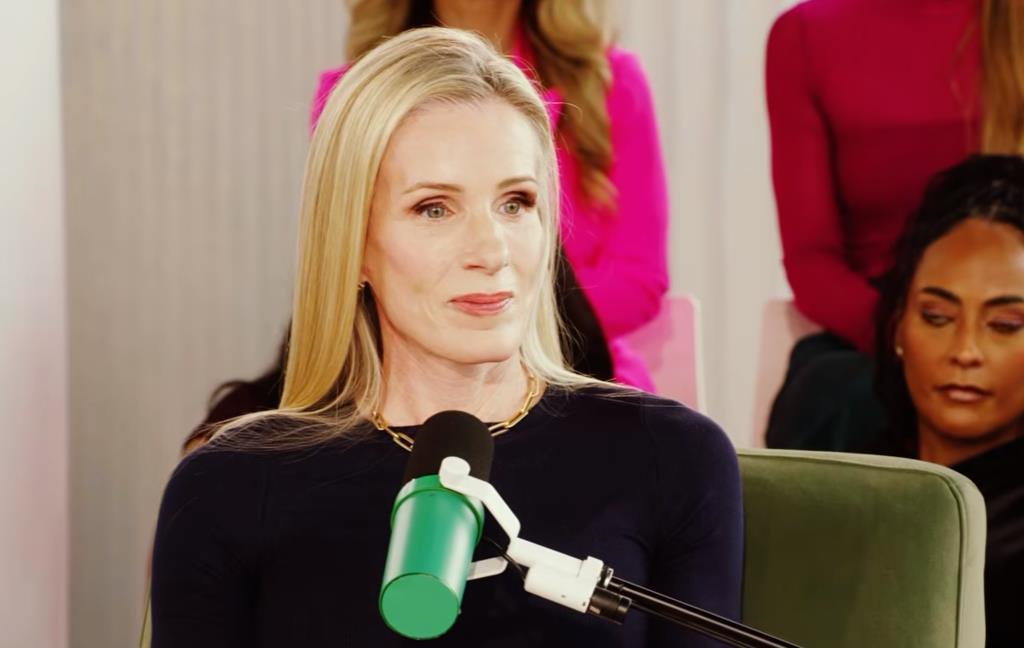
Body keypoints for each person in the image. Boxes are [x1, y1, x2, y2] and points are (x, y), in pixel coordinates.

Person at [150, 28, 742, 647]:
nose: (491, 250)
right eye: (434, 208)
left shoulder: (671, 458)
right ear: (353, 244)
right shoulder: (229, 485)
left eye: (515, 203)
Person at [764, 0, 1024, 450]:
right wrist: (916, 336)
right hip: (879, 328)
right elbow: (812, 261)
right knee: (831, 395)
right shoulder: (806, 34)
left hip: (1010, 325)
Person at [875, 154, 1024, 647]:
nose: (965, 351)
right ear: (898, 326)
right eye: (937, 316)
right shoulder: (848, 476)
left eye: (1004, 325)